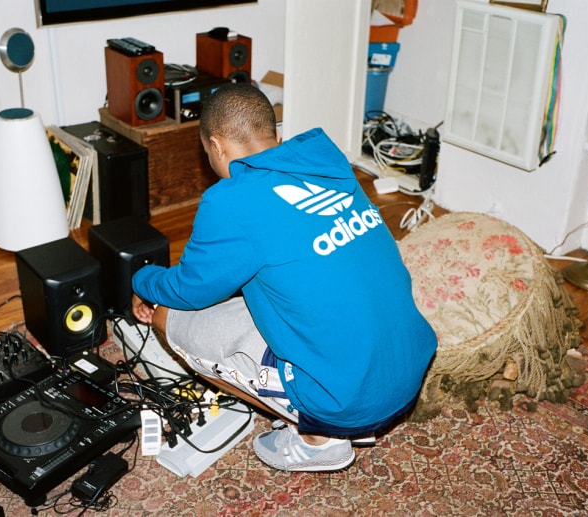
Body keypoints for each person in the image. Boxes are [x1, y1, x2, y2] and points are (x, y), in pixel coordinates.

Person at [131, 83, 437, 472]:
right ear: (276, 134)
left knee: (167, 315)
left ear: (217, 146)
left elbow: (188, 291)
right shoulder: (329, 161)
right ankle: (325, 406)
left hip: (351, 398)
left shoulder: (230, 201)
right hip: (409, 366)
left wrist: (142, 280)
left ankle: (318, 439)